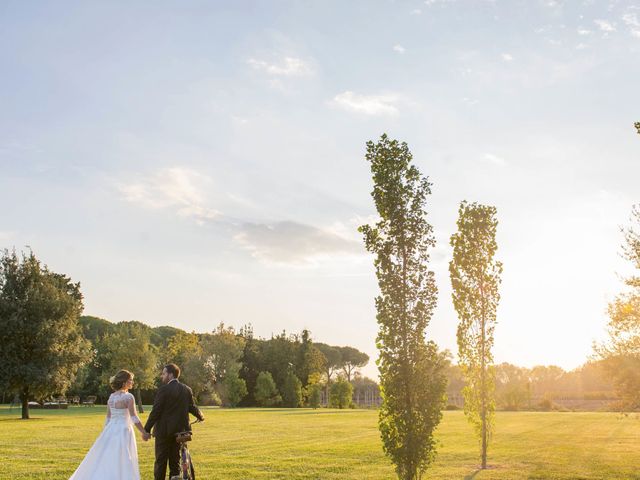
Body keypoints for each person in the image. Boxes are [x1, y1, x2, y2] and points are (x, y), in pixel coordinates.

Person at [69, 370, 147, 479]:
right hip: (124, 430)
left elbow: (108, 418)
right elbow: (134, 417)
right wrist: (144, 432)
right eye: (130, 380)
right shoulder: (129, 397)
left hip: (111, 429)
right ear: (124, 382)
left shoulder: (111, 397)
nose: (132, 382)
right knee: (124, 457)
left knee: (108, 456)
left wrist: (105, 432)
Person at [144, 363, 205, 480]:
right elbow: (192, 407)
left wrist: (146, 429)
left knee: (160, 462)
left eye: (164, 373)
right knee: (175, 462)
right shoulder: (187, 389)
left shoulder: (163, 390)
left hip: (163, 432)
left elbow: (156, 411)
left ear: (171, 374)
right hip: (180, 433)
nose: (162, 376)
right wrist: (200, 416)